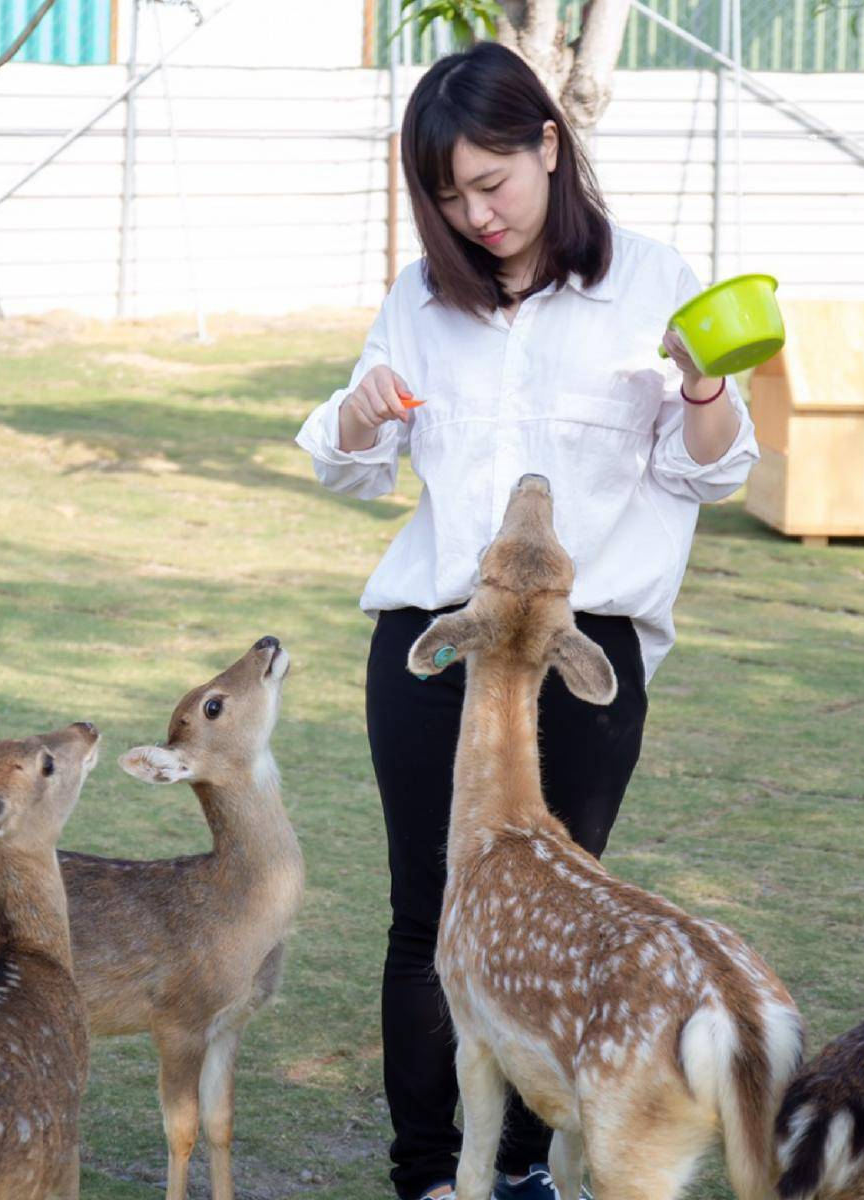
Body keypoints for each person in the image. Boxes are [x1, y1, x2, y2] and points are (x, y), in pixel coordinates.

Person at [294, 40, 759, 1200]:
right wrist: (356, 414)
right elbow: (348, 467)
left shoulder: (654, 281)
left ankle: (518, 1172)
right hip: (435, 640)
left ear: (549, 143)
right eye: (448, 196)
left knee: (560, 909)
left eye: (490, 182)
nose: (476, 214)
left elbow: (719, 474)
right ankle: (426, 1174)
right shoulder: (421, 298)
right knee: (426, 917)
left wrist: (702, 387)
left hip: (579, 658)